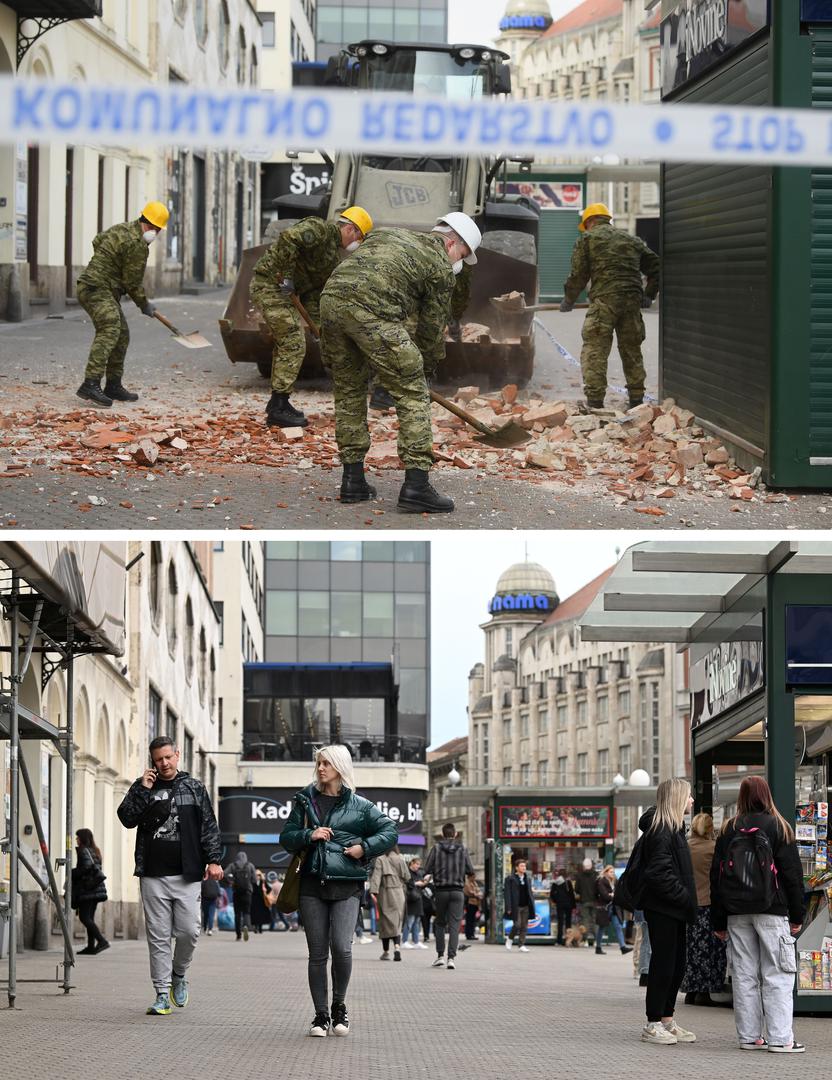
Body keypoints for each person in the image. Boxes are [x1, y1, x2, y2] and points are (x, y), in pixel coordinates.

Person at [319, 212, 482, 514]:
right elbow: (431, 330)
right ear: (450, 242)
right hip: (370, 308)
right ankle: (417, 487)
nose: (458, 263)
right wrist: (425, 369)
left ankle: (352, 481)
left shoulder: (386, 233)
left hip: (330, 302)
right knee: (413, 393)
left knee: (349, 390)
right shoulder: (439, 267)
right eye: (461, 254)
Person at [280, 744, 397, 1038]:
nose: (320, 768)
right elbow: (286, 837)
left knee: (342, 948)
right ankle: (320, 1015)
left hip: (347, 886)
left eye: (326, 764)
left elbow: (390, 831)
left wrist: (363, 848)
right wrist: (309, 834)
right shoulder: (305, 801)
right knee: (317, 953)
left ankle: (339, 1007)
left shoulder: (360, 805)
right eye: (319, 763)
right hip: (311, 884)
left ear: (340, 768)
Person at [117, 734, 223, 1016]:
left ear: (177, 755)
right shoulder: (144, 788)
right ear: (152, 761)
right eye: (158, 759)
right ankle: (162, 993)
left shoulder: (194, 787)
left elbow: (208, 826)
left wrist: (213, 859)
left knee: (189, 931)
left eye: (167, 757)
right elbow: (126, 818)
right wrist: (142, 788)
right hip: (152, 873)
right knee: (159, 936)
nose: (163, 763)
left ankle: (179, 974)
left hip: (187, 873)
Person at [251, 207, 373, 428]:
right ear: (349, 228)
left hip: (287, 294)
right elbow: (288, 238)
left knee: (289, 343)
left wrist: (321, 332)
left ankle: (277, 402)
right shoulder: (319, 229)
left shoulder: (331, 258)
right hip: (270, 284)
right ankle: (279, 407)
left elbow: (314, 296)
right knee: (293, 343)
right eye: (359, 237)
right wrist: (287, 276)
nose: (358, 243)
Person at [710, 775, 806, 1053]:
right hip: (772, 911)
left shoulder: (729, 829)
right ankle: (780, 1038)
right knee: (777, 974)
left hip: (736, 913)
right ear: (767, 795)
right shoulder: (779, 827)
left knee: (744, 976)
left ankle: (750, 1037)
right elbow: (792, 876)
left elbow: (717, 878)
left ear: (741, 796)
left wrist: (718, 920)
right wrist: (797, 915)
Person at [560, 203, 660, 410]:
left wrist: (568, 300)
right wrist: (648, 294)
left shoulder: (587, 239)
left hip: (604, 302)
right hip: (631, 303)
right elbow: (657, 267)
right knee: (632, 350)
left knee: (595, 350)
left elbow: (579, 274)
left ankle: (595, 402)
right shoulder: (632, 240)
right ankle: (636, 401)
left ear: (588, 222)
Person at [76, 201, 169, 407]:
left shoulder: (121, 228)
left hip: (99, 287)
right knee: (110, 328)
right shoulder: (138, 245)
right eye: (159, 230)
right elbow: (132, 282)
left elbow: (97, 240)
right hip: (94, 288)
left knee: (122, 334)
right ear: (154, 228)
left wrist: (110, 266)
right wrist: (144, 304)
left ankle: (113, 385)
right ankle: (90, 383)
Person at [638, 777, 697, 1045]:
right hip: (664, 908)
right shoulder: (662, 830)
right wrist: (683, 897)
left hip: (674, 908)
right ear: (676, 799)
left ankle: (666, 1019)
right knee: (663, 964)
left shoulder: (675, 828)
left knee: (676, 964)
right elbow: (658, 873)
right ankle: (653, 1023)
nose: (692, 801)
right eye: (688, 796)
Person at [681, 812, 727, 1007]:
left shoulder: (685, 847)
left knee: (690, 950)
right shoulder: (714, 849)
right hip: (708, 905)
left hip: (688, 905)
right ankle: (705, 991)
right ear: (710, 829)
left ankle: (690, 990)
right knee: (710, 950)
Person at [424, 822, 475, 969]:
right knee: (454, 925)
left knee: (440, 923)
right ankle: (451, 958)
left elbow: (427, 868)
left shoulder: (436, 848)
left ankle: (440, 956)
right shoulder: (462, 849)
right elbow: (470, 870)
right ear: (455, 834)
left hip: (440, 891)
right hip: (457, 892)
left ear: (442, 834)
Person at [369, 844, 409, 961]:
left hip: (385, 893)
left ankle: (386, 952)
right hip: (399, 893)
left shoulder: (381, 859)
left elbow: (376, 877)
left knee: (385, 922)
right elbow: (407, 876)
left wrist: (373, 891)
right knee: (397, 922)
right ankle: (397, 947)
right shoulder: (400, 859)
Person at [74, 828, 109, 955]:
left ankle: (102, 941)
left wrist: (72, 873)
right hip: (96, 888)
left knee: (84, 917)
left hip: (88, 889)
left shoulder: (84, 851)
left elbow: (86, 868)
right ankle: (90, 947)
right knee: (90, 918)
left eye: (77, 837)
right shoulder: (96, 851)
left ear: (82, 838)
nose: (76, 840)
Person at [594, 865, 633, 956]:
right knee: (602, 927)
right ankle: (598, 947)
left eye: (613, 872)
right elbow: (604, 895)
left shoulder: (615, 881)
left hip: (614, 907)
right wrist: (611, 895)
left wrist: (613, 895)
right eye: (611, 872)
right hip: (604, 908)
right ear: (606, 872)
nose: (613, 874)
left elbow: (619, 892)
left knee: (618, 926)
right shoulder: (601, 881)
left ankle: (623, 947)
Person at [224, 851, 257, 942]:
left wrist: (231, 882)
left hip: (236, 892)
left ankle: (238, 935)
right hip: (247, 892)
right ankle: (246, 926)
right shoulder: (250, 865)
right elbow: (254, 880)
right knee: (246, 912)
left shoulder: (233, 865)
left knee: (237, 914)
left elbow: (224, 874)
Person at [504, 858, 535, 953]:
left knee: (524, 926)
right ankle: (510, 939)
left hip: (526, 905)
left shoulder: (527, 879)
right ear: (516, 868)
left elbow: (529, 892)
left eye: (525, 866)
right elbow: (507, 894)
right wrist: (508, 907)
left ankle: (521, 944)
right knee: (517, 925)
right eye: (521, 866)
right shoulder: (510, 879)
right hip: (516, 906)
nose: (524, 868)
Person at [402, 856, 429, 949]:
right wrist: (416, 883)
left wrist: (424, 882)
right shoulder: (408, 873)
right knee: (409, 921)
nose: (418, 866)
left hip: (418, 899)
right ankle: (404, 941)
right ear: (412, 863)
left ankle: (416, 941)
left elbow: (421, 885)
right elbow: (407, 884)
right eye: (417, 864)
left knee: (416, 922)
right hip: (411, 900)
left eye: (419, 864)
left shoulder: (418, 873)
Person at [549, 867, 575, 946]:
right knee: (568, 922)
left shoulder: (555, 883)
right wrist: (573, 904)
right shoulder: (568, 882)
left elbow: (552, 894)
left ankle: (559, 940)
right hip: (568, 904)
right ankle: (568, 940)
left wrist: (556, 901)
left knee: (560, 922)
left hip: (560, 904)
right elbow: (571, 894)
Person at [576, 857, 598, 943]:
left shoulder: (579, 876)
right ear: (591, 866)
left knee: (585, 920)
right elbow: (598, 888)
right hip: (595, 901)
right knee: (594, 920)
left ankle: (585, 940)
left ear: (583, 866)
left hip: (584, 900)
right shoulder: (596, 875)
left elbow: (576, 889)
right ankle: (596, 940)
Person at [251, 868, 272, 934]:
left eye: (259, 875)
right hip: (254, 901)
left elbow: (269, 889)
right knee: (254, 915)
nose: (257, 876)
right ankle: (255, 927)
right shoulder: (252, 882)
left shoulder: (263, 882)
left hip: (261, 901)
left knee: (261, 916)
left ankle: (260, 928)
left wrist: (265, 891)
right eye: (256, 875)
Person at [463, 871, 482, 942]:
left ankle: (472, 933)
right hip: (470, 903)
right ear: (470, 877)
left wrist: (478, 893)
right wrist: (477, 894)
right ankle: (469, 934)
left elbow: (478, 890)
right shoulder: (467, 883)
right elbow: (469, 892)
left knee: (473, 919)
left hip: (475, 903)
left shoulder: (474, 883)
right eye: (473, 876)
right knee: (469, 919)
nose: (474, 878)